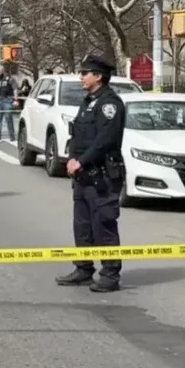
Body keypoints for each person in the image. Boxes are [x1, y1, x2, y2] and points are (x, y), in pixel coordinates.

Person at [55, 55, 126, 293]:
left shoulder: (110, 104)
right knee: (82, 225)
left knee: (103, 224)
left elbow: (105, 140)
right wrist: (71, 158)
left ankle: (110, 274)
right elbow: (78, 136)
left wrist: (81, 161)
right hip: (83, 176)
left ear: (98, 76)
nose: (81, 77)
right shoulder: (88, 102)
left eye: (85, 73)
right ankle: (84, 268)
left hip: (102, 175)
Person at [0, 67, 18, 142]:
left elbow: (15, 89)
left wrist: (16, 100)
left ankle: (12, 136)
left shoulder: (10, 79)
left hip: (7, 100)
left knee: (8, 119)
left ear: (3, 71)